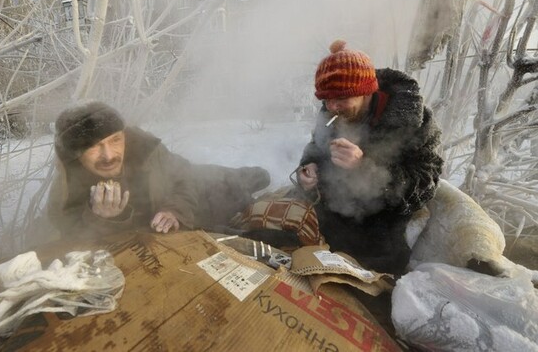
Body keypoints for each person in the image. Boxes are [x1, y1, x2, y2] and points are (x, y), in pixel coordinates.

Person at [295, 40, 444, 275]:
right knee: (282, 237)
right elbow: (316, 147)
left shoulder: (410, 121)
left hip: (379, 223)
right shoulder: (332, 111)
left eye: (341, 99)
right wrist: (309, 168)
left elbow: (425, 185)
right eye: (327, 99)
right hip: (331, 206)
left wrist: (364, 168)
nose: (332, 107)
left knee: (369, 273)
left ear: (365, 92)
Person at [47, 101, 270, 239]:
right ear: (75, 153)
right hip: (195, 218)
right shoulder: (66, 194)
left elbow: (184, 175)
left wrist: (174, 210)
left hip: (195, 187)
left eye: (115, 140)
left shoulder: (145, 149)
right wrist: (101, 219)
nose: (109, 155)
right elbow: (77, 241)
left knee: (237, 179)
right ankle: (242, 182)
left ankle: (245, 176)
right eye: (94, 146)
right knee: (237, 204)